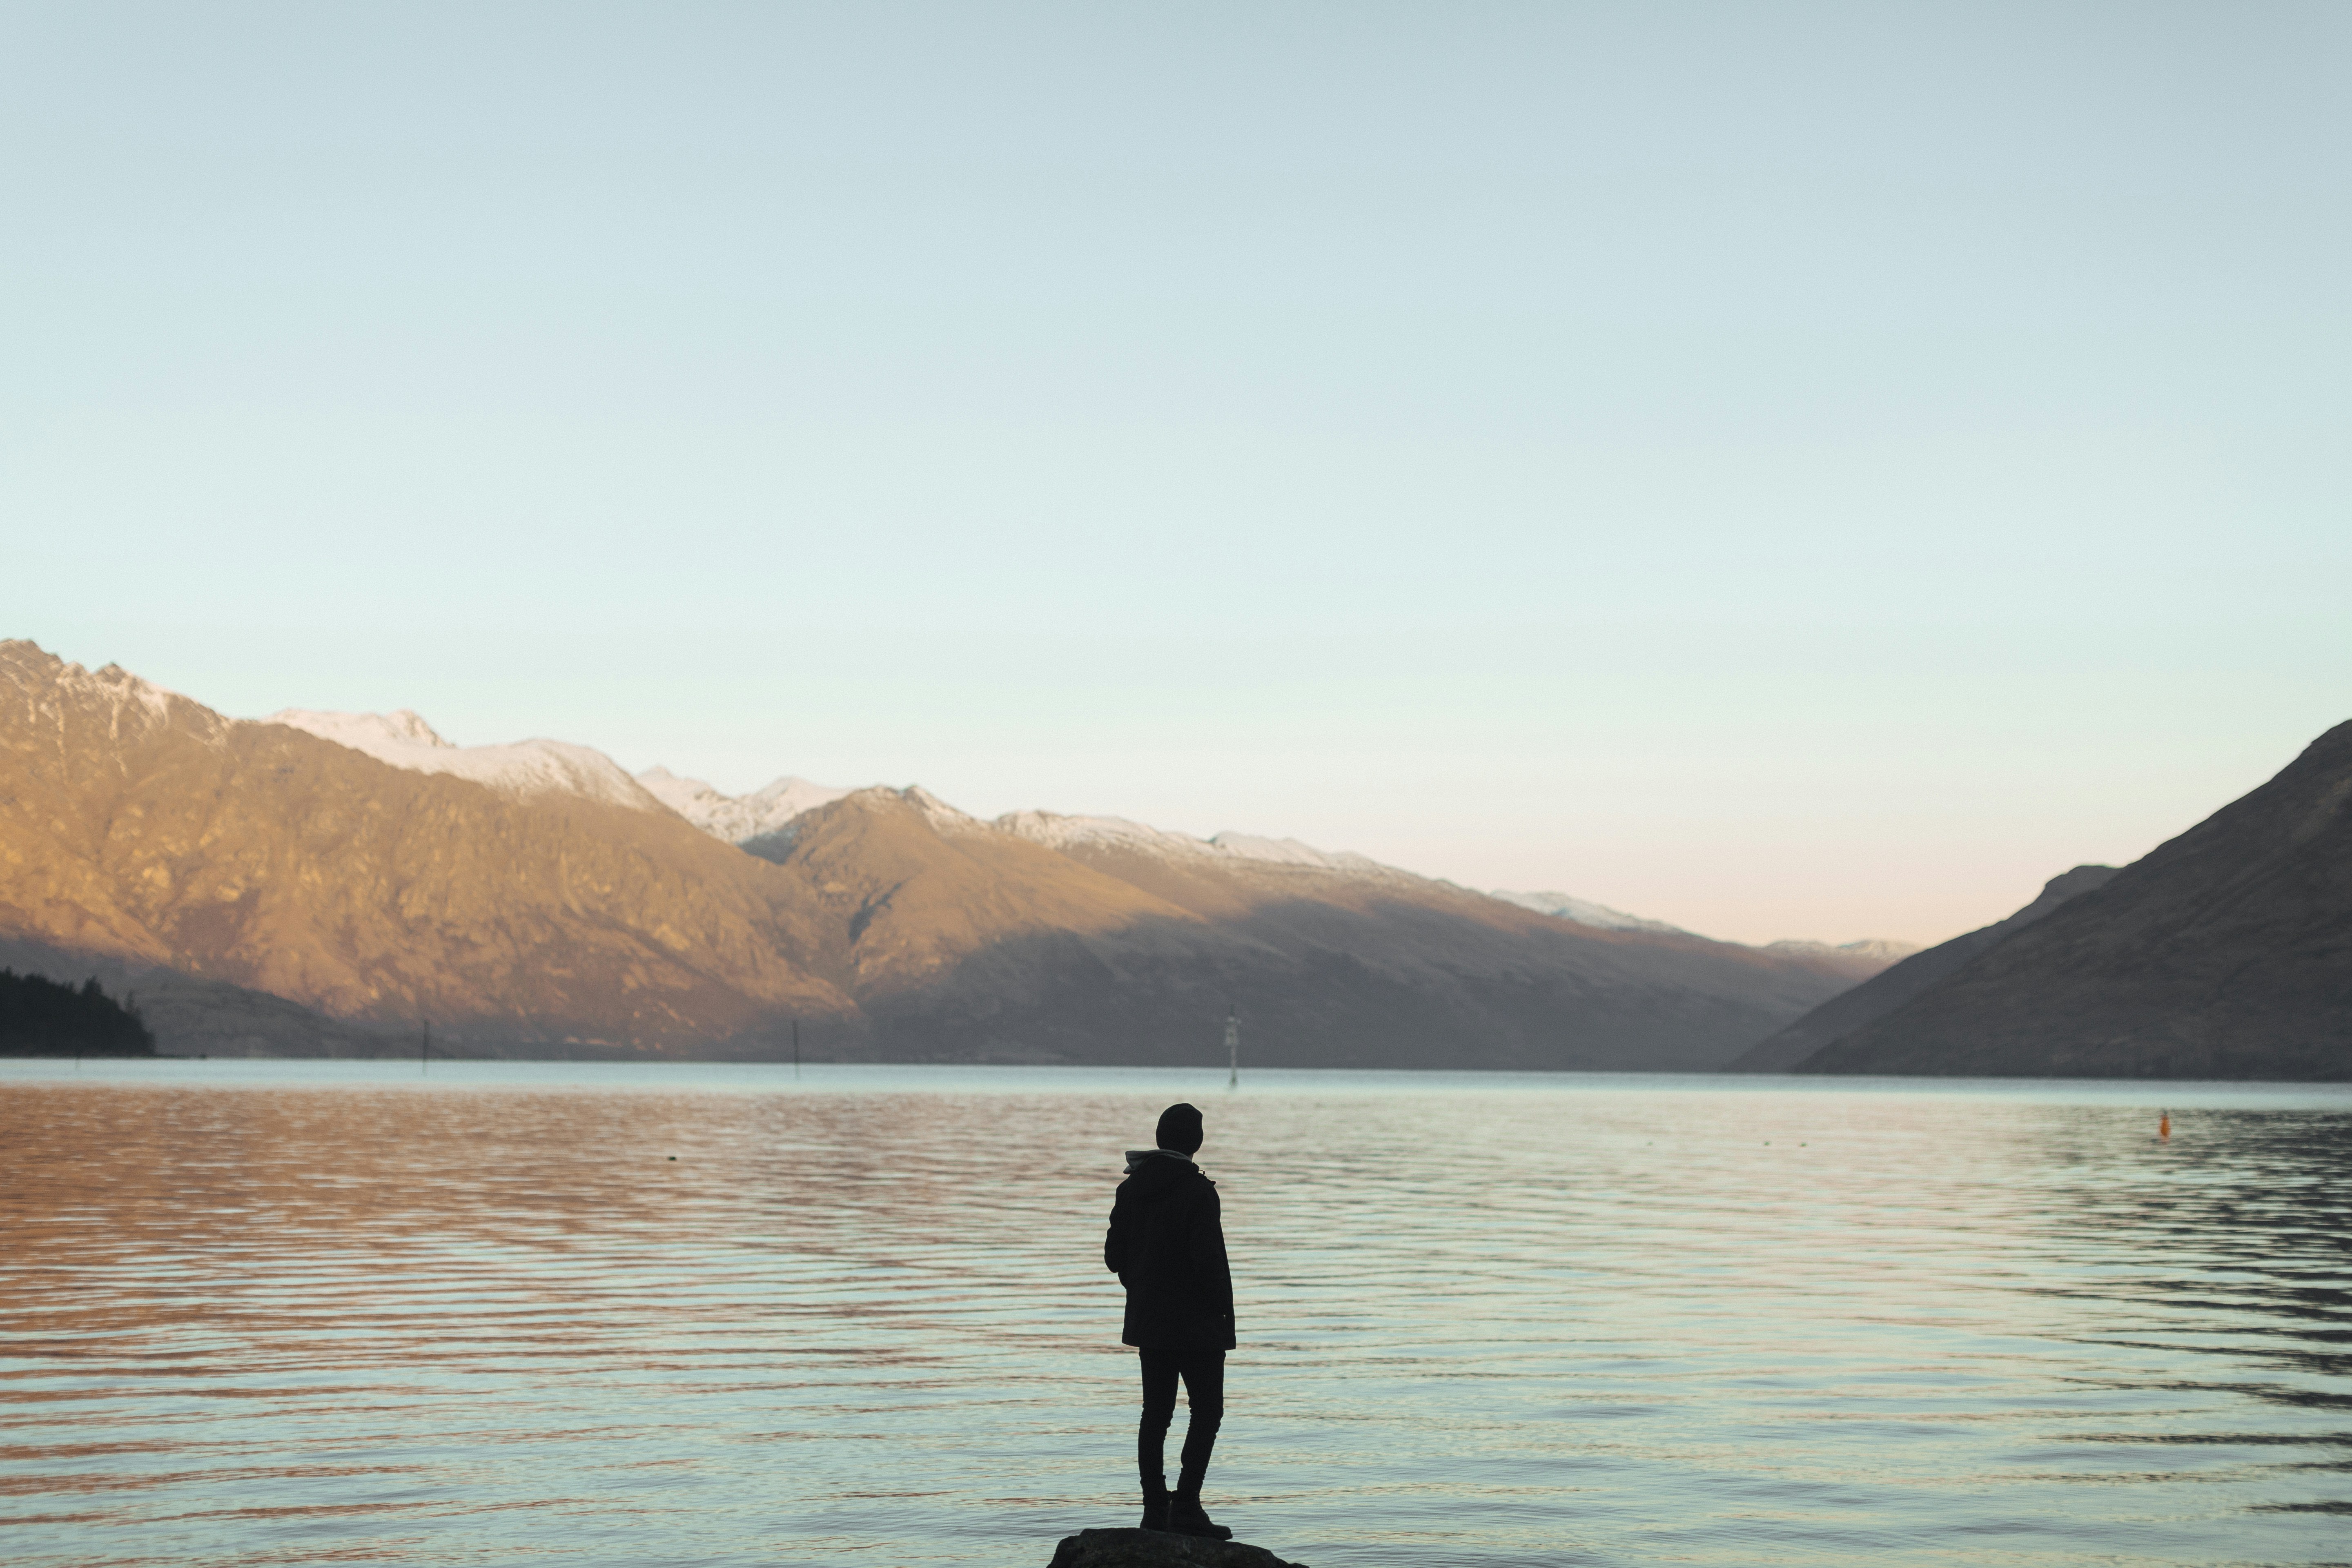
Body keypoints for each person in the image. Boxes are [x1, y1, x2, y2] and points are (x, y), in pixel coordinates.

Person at [1103, 1102, 1235, 1540]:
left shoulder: (1132, 1188)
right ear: (1196, 1143)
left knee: (1155, 1414)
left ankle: (1154, 1510)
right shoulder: (1198, 1192)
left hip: (1151, 1322)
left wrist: (1141, 1286)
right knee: (1207, 1412)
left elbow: (1113, 1258)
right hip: (1198, 1325)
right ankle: (1187, 1507)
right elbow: (1209, 1263)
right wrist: (1219, 1310)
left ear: (1161, 1138)